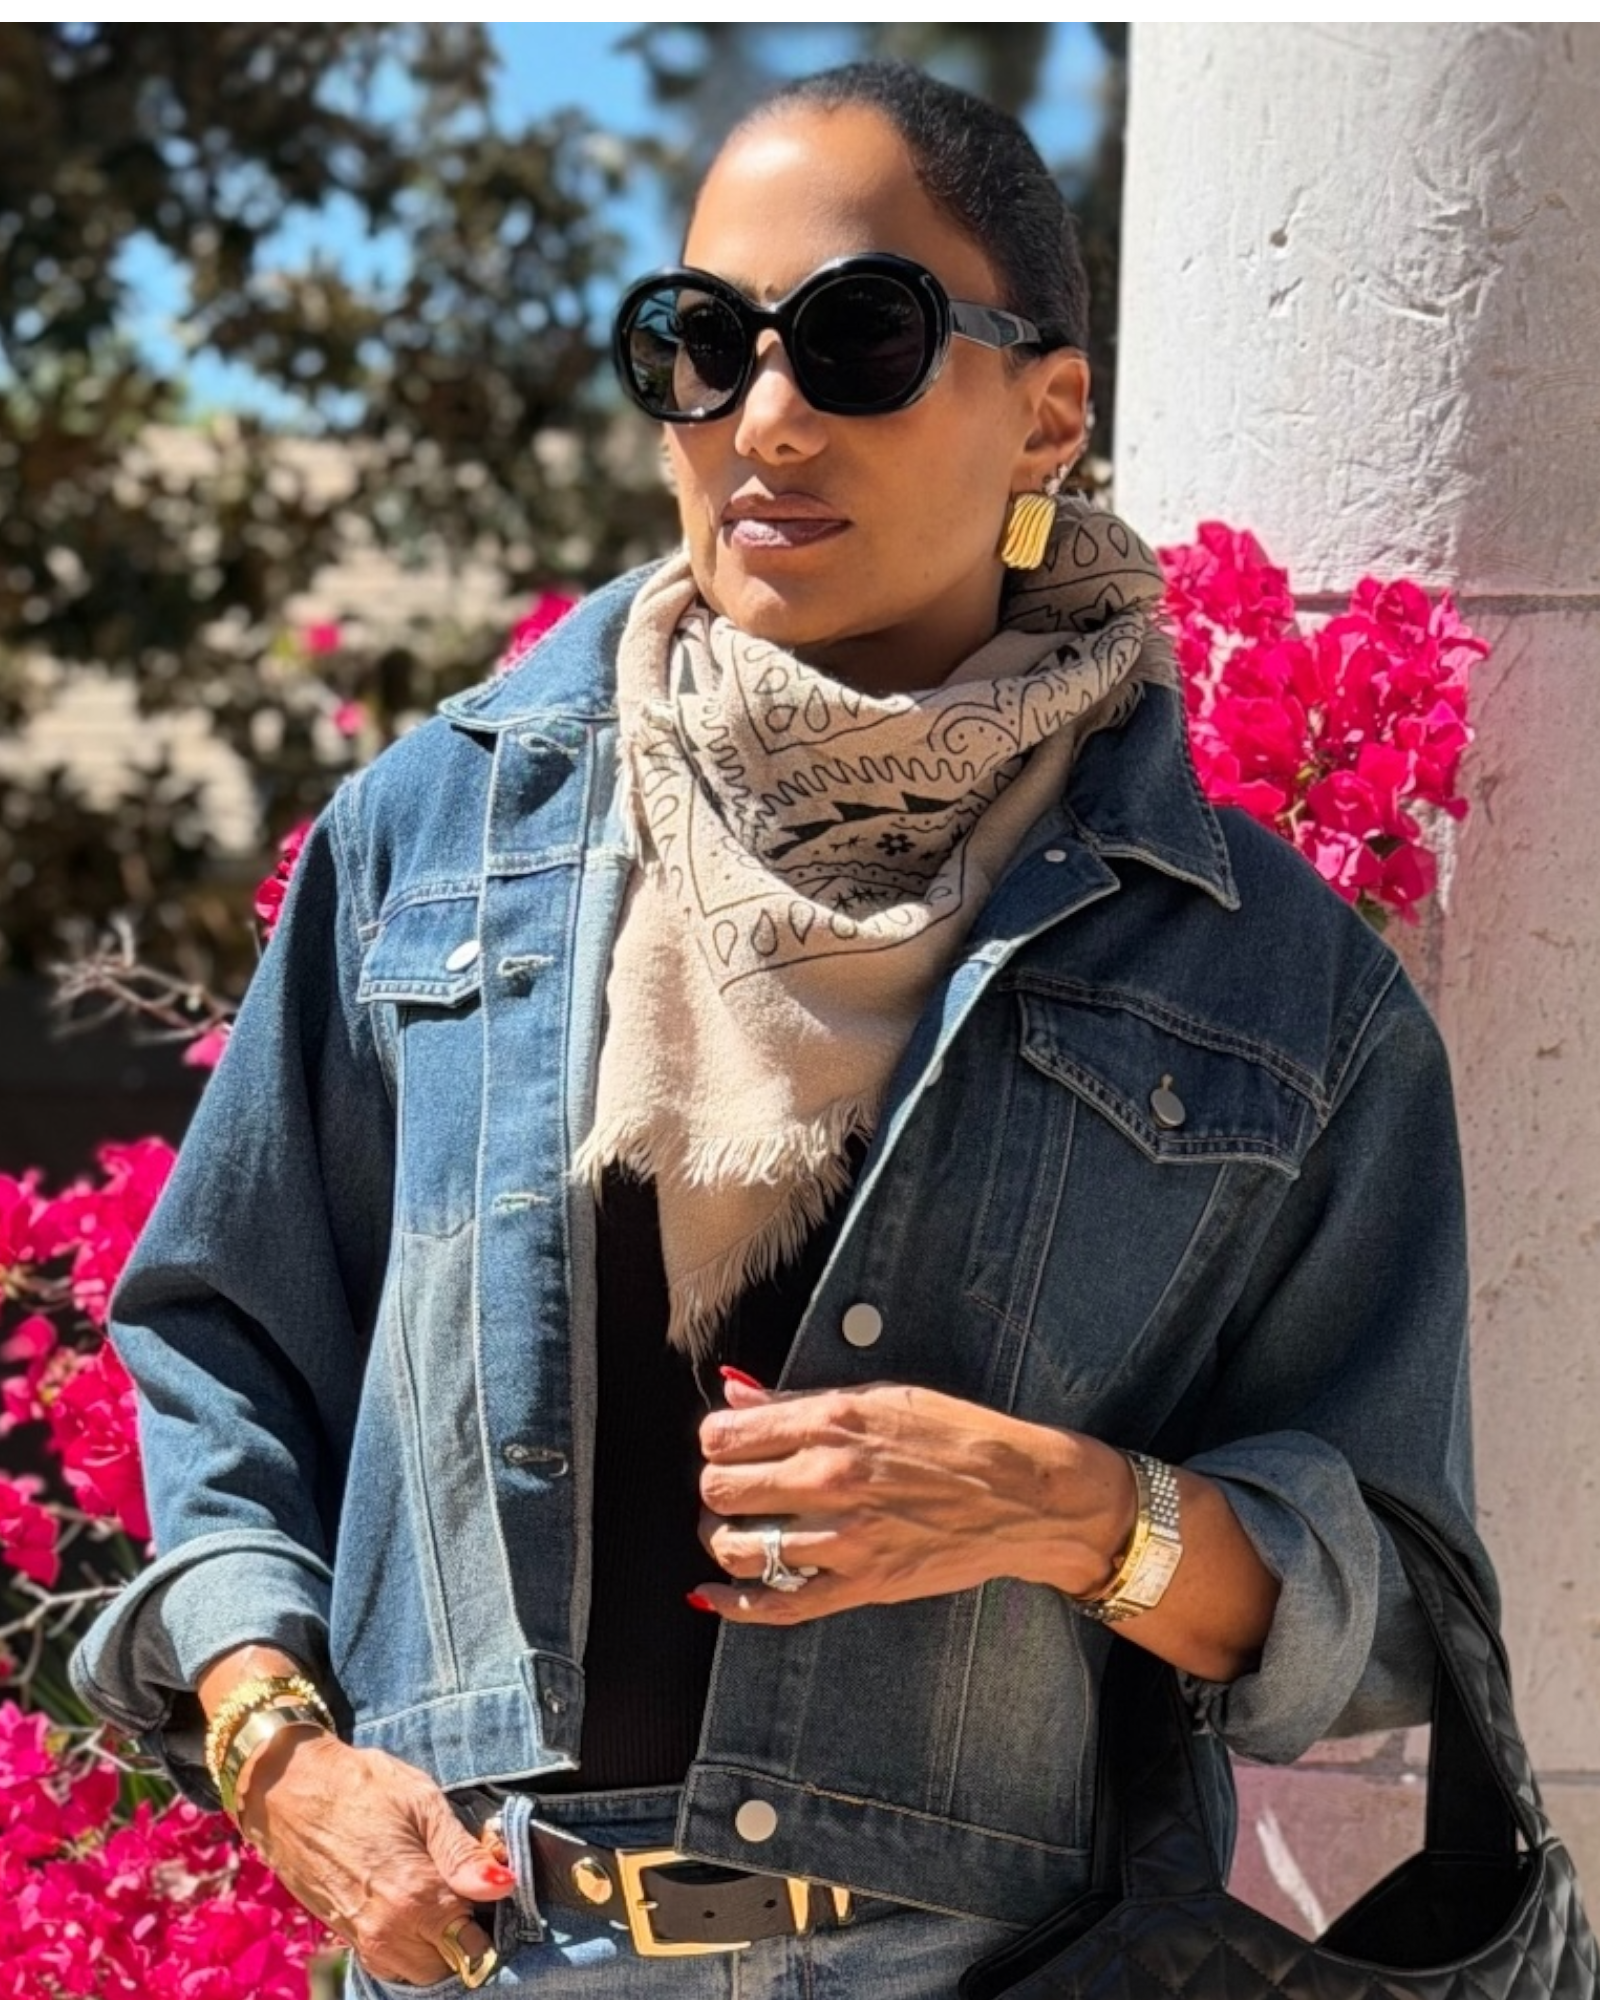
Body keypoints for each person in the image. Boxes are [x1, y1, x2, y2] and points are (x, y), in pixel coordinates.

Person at [72, 58, 1492, 2000]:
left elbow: (1399, 1618)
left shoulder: (1262, 976)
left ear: (1045, 411)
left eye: (857, 337)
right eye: (697, 343)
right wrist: (275, 1744)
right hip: (486, 1962)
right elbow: (224, 1341)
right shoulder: (438, 839)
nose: (764, 415)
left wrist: (1075, 1512)